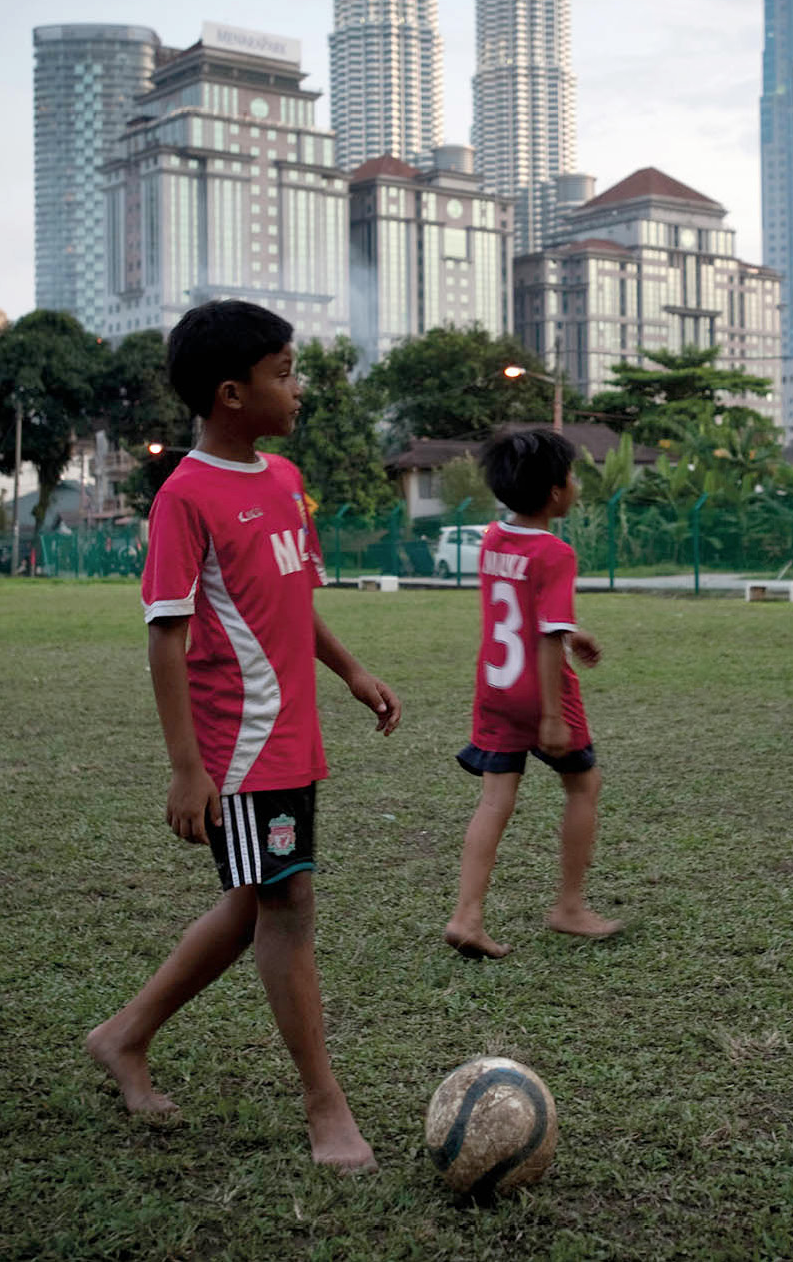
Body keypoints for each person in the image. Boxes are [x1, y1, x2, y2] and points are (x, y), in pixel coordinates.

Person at [87, 300, 401, 1174]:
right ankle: (324, 1106)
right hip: (241, 745)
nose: (297, 388)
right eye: (285, 372)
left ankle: (123, 1035)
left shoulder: (283, 477)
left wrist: (350, 670)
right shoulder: (184, 496)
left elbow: (292, 597)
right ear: (233, 393)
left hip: (290, 736)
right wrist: (187, 769)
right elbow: (166, 635)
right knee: (285, 904)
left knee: (254, 897)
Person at [444, 427, 621, 960]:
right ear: (554, 492)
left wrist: (571, 631)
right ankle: (569, 907)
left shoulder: (494, 539)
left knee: (495, 799)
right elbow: (544, 637)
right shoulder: (555, 552)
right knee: (583, 786)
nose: (575, 486)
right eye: (571, 477)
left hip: (494, 686)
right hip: (540, 692)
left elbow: (523, 613)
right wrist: (550, 715)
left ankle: (466, 916)